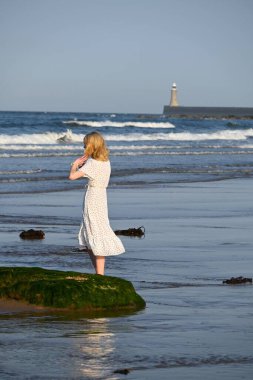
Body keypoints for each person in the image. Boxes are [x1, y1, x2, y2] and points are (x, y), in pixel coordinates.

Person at [69, 132, 125, 275]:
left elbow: (72, 177)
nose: (83, 146)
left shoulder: (91, 163)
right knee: (96, 229)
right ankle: (99, 273)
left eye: (85, 144)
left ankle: (100, 274)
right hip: (102, 196)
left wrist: (75, 164)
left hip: (93, 197)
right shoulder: (106, 162)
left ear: (91, 145)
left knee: (94, 231)